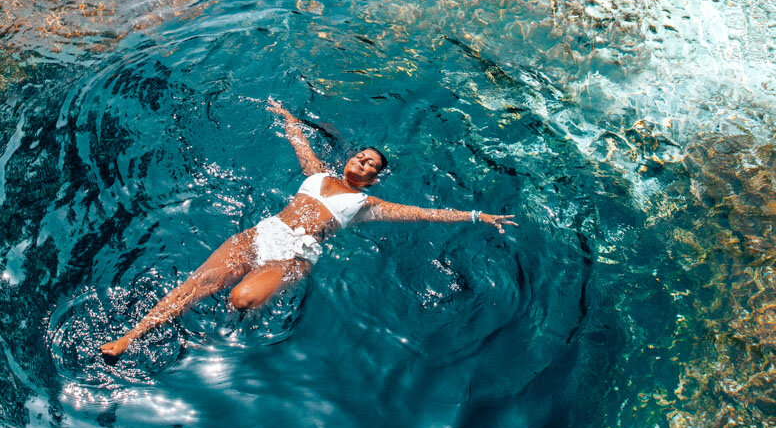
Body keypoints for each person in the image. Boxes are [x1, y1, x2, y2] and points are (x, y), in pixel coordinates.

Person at [99, 98, 516, 359]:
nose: (364, 163)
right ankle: (128, 338)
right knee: (197, 284)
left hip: (293, 258)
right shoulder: (316, 175)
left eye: (373, 165)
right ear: (349, 158)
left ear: (375, 179)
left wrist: (479, 216)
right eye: (361, 157)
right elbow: (299, 142)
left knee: (242, 299)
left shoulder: (365, 204)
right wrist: (287, 117)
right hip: (260, 235)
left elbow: (426, 214)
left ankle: (213, 342)